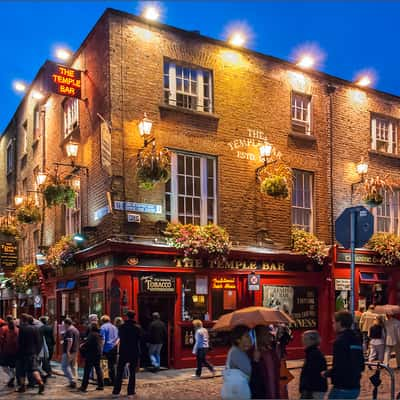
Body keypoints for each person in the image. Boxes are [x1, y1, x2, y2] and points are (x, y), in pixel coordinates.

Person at [322, 311, 365, 399]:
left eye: (334, 322)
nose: (332, 325)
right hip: (355, 385)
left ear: (339, 323)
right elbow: (361, 363)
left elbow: (339, 365)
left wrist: (326, 373)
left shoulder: (340, 341)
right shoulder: (356, 338)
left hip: (342, 386)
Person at [112, 310, 143, 397]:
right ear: (134, 317)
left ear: (127, 317)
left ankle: (116, 391)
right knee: (132, 372)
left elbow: (120, 337)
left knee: (120, 371)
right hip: (134, 351)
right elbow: (140, 339)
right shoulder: (138, 327)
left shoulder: (122, 327)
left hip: (124, 351)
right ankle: (130, 391)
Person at [221, 325, 253, 400]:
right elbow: (249, 371)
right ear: (238, 339)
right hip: (237, 392)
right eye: (247, 336)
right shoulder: (236, 352)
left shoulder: (239, 351)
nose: (250, 339)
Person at [15, 314, 45, 394]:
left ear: (23, 320)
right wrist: (36, 352)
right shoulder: (36, 329)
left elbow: (19, 342)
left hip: (22, 353)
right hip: (32, 352)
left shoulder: (22, 329)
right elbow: (39, 342)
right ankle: (40, 383)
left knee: (21, 371)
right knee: (34, 369)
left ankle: (22, 386)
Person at [250, 325, 280, 399]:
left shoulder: (271, 351)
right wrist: (254, 361)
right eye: (266, 334)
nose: (269, 336)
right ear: (259, 336)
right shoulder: (251, 353)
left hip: (274, 393)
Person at [299, 330, 327, 399]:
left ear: (312, 341)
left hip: (313, 391)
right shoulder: (312, 353)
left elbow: (312, 374)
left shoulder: (314, 354)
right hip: (314, 390)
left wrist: (306, 390)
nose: (303, 341)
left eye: (305, 339)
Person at [79, 322, 104, 392]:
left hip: (91, 355)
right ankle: (101, 385)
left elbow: (88, 344)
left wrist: (82, 346)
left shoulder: (91, 334)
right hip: (98, 354)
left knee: (87, 370)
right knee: (98, 369)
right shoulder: (99, 334)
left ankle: (84, 387)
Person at [0, 315, 19, 387]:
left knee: (3, 366)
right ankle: (12, 378)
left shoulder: (3, 328)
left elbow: (1, 340)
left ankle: (11, 376)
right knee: (12, 366)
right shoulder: (17, 329)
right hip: (15, 351)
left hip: (5, 350)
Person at [100, 315, 119, 385]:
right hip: (113, 348)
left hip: (106, 348)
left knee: (104, 364)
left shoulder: (103, 327)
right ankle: (114, 380)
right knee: (112, 365)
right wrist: (115, 344)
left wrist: (101, 349)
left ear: (102, 321)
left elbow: (103, 339)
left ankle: (106, 379)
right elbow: (118, 338)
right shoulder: (114, 327)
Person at [61, 317, 80, 389]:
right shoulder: (76, 330)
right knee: (73, 366)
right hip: (75, 350)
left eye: (64, 324)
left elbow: (70, 341)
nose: (64, 326)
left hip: (70, 351)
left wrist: (68, 351)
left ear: (66, 323)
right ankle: (74, 381)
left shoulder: (69, 330)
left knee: (64, 366)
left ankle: (72, 381)